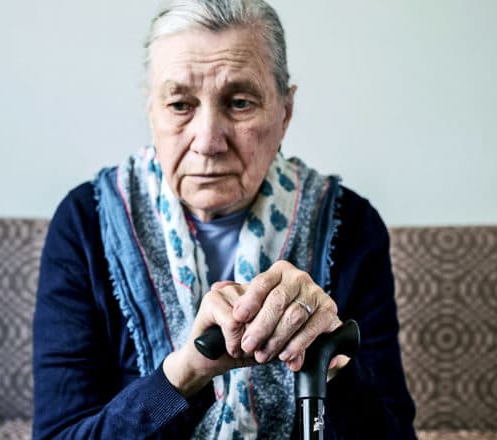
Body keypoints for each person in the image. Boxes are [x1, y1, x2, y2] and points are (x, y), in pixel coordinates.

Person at [32, 0, 416, 438]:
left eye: (239, 103)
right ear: (150, 110)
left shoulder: (350, 225)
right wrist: (187, 372)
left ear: (285, 112)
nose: (208, 141)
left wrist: (332, 364)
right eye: (180, 104)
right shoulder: (86, 224)